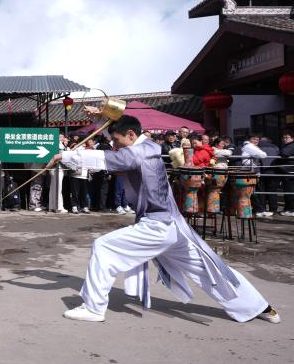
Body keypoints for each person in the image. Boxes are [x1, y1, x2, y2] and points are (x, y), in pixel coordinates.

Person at [49, 114, 280, 324]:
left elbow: (115, 160)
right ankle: (260, 307)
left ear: (131, 135)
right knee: (205, 267)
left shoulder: (144, 149)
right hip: (169, 227)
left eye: (117, 141)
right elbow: (118, 154)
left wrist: (66, 155)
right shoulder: (140, 148)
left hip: (158, 226)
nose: (115, 146)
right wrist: (101, 120)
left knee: (103, 246)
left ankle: (93, 308)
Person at [256, 137, 280, 218]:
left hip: (262, 171)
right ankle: (273, 209)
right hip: (273, 171)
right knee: (272, 191)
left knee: (261, 191)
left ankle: (262, 208)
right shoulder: (275, 147)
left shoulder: (258, 147)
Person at [68, 139, 91, 214]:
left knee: (84, 192)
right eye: (83, 143)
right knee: (75, 192)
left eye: (85, 144)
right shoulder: (75, 151)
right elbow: (68, 161)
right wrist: (73, 168)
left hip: (84, 175)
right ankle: (74, 206)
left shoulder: (87, 152)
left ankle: (84, 206)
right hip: (75, 175)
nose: (84, 145)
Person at [278, 131, 294, 216]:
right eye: (283, 137)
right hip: (288, 171)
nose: (284, 139)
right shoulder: (288, 145)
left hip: (290, 171)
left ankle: (291, 210)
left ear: (292, 138)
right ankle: (288, 209)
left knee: (290, 191)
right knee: (288, 191)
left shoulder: (291, 146)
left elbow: (284, 153)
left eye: (287, 137)